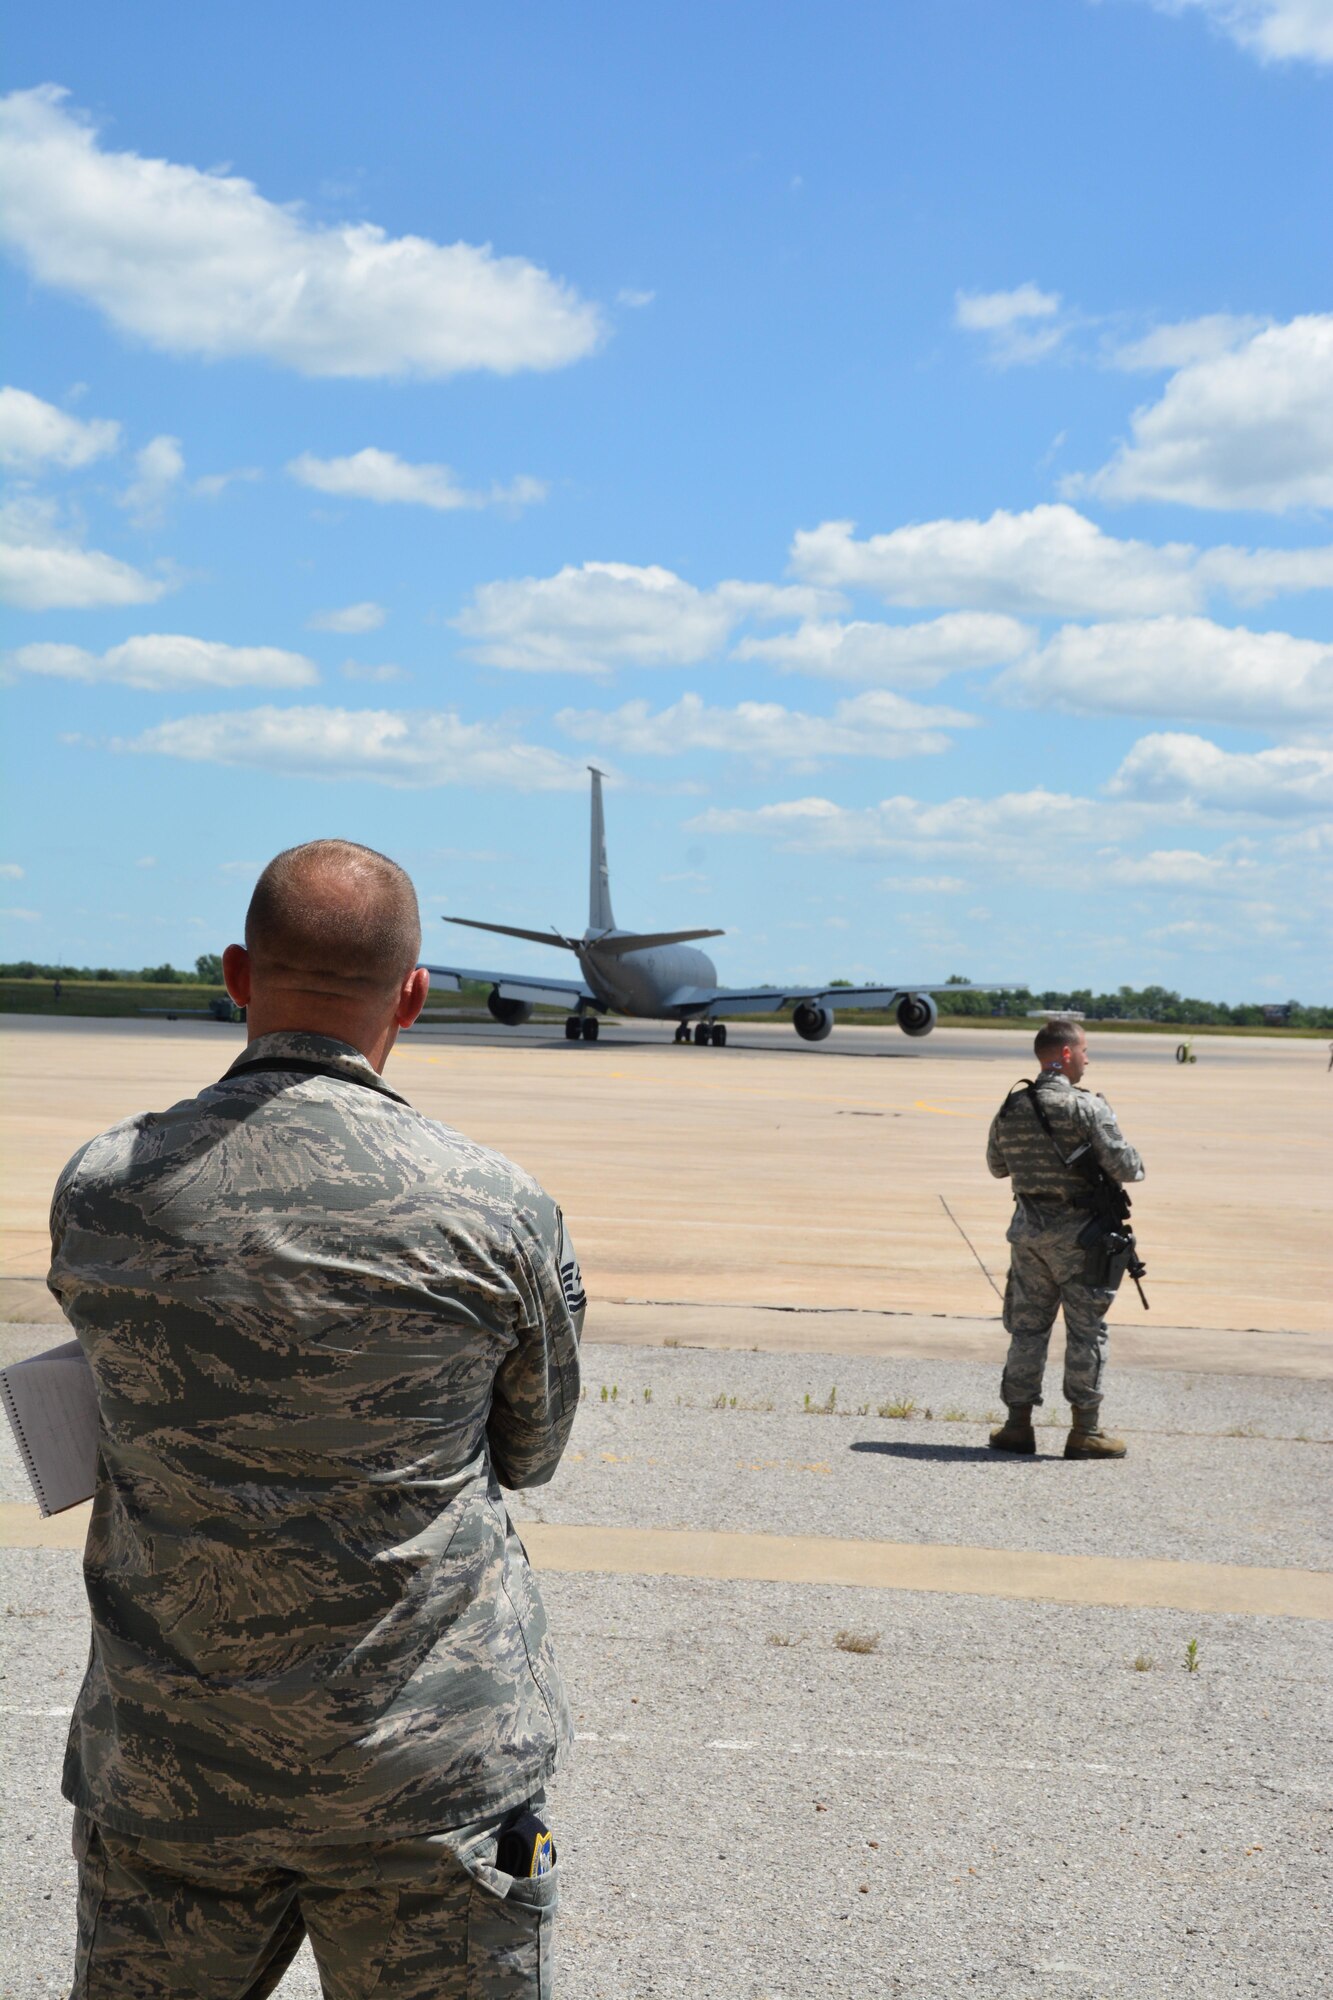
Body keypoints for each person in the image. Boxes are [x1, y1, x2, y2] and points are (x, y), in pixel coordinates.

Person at [48, 838, 583, 1999]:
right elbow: (530, 1451)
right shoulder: (493, 1208)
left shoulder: (104, 1186)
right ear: (413, 995)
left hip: (175, 1765)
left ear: (238, 974)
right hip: (422, 1769)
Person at [985, 1017, 1144, 1460]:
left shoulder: (1012, 1107)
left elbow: (998, 1166)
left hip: (1029, 1236)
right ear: (1067, 1054)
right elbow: (1130, 1168)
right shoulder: (1087, 1108)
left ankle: (1017, 1426)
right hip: (1081, 1239)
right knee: (1086, 1332)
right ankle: (1086, 1431)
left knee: (1027, 1330)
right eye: (1086, 1051)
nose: (1089, 1059)